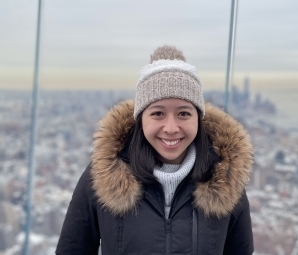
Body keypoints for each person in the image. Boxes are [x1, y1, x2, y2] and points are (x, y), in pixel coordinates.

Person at [56, 45, 254, 255]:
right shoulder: (103, 176)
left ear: (199, 119)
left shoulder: (226, 180)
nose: (170, 128)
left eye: (184, 114)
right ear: (141, 119)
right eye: (158, 113)